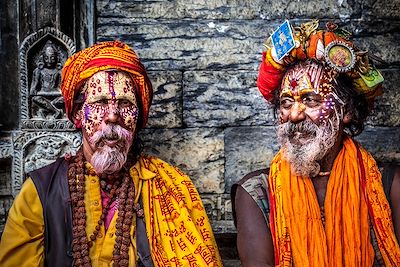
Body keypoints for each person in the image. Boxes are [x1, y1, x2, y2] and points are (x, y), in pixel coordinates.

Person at [0, 40, 222, 267]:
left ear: (138, 116)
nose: (113, 115)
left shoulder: (172, 186)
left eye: (125, 103)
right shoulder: (39, 192)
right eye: (100, 103)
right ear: (78, 114)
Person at [232, 20, 400, 266]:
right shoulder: (257, 192)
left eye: (310, 100)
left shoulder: (388, 185)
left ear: (347, 110)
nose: (295, 114)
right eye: (286, 102)